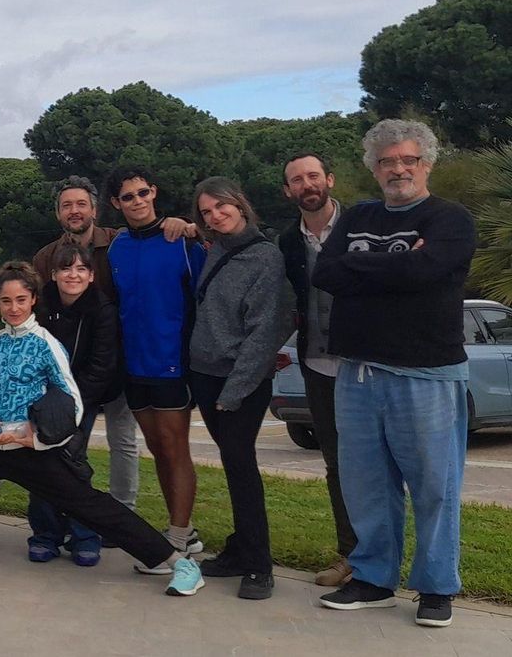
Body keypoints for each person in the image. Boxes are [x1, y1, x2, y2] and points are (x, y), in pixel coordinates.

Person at [0, 263, 206, 599]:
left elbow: (72, 402)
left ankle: (176, 561)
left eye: (21, 300)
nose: (13, 308)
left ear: (33, 299)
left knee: (91, 506)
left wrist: (36, 438)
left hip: (36, 449)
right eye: (6, 301)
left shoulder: (46, 344)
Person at [313, 119, 476, 628]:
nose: (397, 169)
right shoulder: (359, 216)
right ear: (374, 168)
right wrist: (398, 268)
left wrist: (363, 269)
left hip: (425, 374)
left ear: (427, 164)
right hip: (357, 372)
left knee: (434, 487)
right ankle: (373, 579)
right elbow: (325, 273)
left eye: (408, 159)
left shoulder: (450, 218)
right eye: (386, 161)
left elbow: (427, 271)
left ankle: (436, 587)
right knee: (366, 486)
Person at [188, 178, 292, 599]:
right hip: (205, 374)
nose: (215, 216)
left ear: (240, 204)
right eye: (206, 212)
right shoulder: (216, 249)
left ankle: (259, 565)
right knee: (233, 466)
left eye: (221, 206)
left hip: (240, 383)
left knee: (242, 468)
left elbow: (264, 333)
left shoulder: (266, 257)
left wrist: (234, 392)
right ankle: (240, 548)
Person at [105, 167, 208, 558]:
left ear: (154, 192)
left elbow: (206, 293)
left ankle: (178, 538)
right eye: (128, 196)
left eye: (143, 192)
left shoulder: (182, 241)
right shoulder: (116, 247)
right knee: (157, 449)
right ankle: (184, 530)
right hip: (134, 366)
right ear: (116, 203)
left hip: (172, 363)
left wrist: (193, 226)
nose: (137, 201)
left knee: (175, 447)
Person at [31, 175, 147, 518]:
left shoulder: (120, 242)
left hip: (120, 360)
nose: (74, 210)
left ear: (95, 209)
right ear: (58, 213)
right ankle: (68, 516)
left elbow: (156, 234)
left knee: (122, 440)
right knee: (67, 444)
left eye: (81, 204)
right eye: (67, 205)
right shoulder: (46, 257)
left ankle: (122, 514)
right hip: (72, 369)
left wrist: (184, 226)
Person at [279, 152, 356, 587]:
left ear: (329, 179)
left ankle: (384, 558)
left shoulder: (362, 226)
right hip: (316, 365)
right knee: (337, 465)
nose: (307, 184)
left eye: (313, 176)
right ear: (288, 191)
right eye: (297, 180)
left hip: (366, 363)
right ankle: (351, 556)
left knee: (380, 463)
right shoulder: (287, 242)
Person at [30, 243, 123, 566]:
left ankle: (85, 535)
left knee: (73, 462)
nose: (74, 275)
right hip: (42, 397)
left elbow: (101, 366)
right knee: (40, 462)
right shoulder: (40, 305)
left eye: (81, 269)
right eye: (66, 268)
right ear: (54, 274)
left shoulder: (103, 309)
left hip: (82, 399)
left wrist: (69, 402)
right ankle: (45, 535)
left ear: (91, 275)